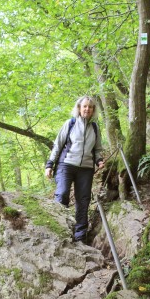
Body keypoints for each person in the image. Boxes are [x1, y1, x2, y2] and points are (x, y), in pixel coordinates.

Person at [45, 96, 104, 242]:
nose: (87, 109)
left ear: (93, 110)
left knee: (83, 200)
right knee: (62, 194)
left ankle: (80, 236)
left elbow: (97, 149)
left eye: (90, 107)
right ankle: (60, 229)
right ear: (79, 108)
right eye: (84, 106)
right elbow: (58, 145)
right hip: (66, 164)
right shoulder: (70, 124)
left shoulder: (95, 128)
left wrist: (99, 160)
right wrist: (50, 164)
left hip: (86, 168)